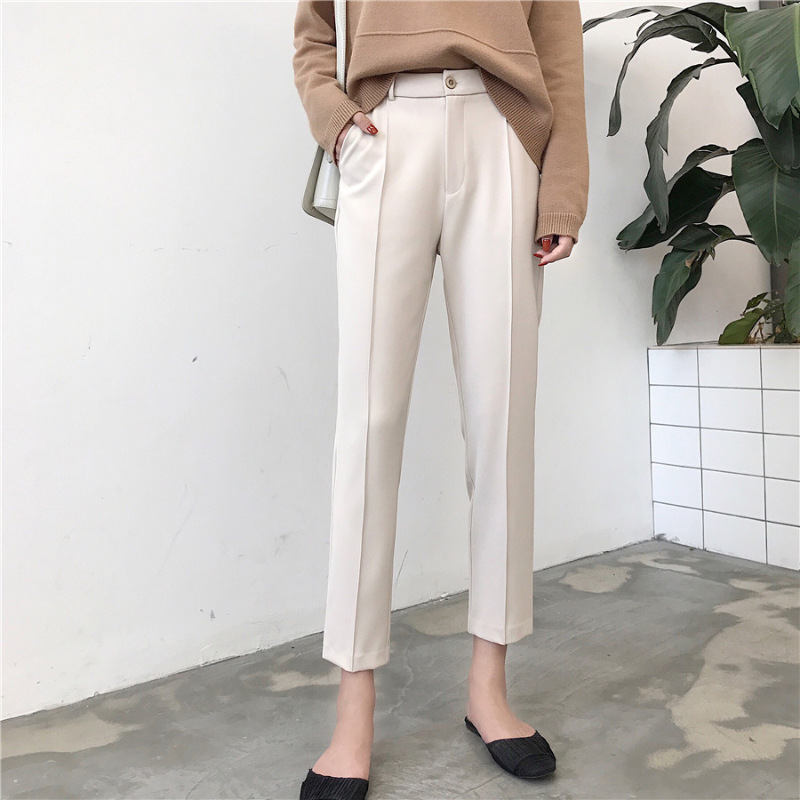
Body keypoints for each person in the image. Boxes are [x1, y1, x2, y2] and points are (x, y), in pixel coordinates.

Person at [292, 1, 589, 797]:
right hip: (385, 133)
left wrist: (561, 187)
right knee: (368, 422)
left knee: (501, 420)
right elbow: (314, 28)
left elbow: (558, 47)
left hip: (503, 134)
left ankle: (489, 688)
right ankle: (353, 706)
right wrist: (335, 121)